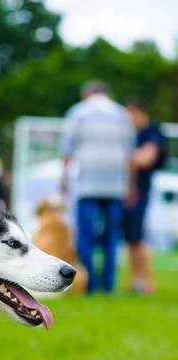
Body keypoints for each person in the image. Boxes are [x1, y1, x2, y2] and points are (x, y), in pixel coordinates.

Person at [60, 80, 135, 293]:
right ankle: (108, 285)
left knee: (86, 234)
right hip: (115, 184)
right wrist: (129, 183)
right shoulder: (121, 114)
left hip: (88, 183)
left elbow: (67, 148)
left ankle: (89, 285)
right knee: (112, 235)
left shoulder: (78, 112)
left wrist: (64, 177)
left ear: (87, 94)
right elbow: (130, 153)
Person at [123, 98, 166, 293]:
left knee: (137, 236)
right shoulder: (130, 133)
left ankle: (145, 281)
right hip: (127, 191)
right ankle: (135, 279)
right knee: (131, 237)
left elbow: (145, 159)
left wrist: (127, 158)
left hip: (139, 191)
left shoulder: (151, 132)